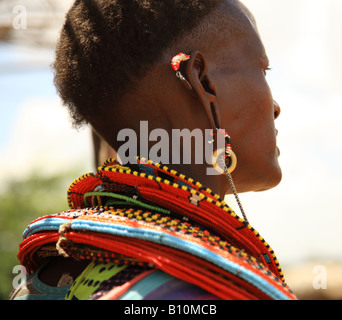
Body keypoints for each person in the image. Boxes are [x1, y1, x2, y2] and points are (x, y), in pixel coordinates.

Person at [10, 0, 296, 300]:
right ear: (203, 80)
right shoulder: (188, 293)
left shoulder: (42, 280)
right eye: (263, 69)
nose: (276, 108)